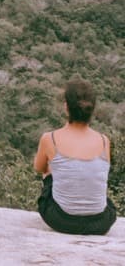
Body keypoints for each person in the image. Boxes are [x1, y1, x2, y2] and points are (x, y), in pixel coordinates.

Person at [33, 78, 117, 235]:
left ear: (66, 107)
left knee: (49, 171)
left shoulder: (49, 138)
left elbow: (39, 168)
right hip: (100, 222)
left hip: (61, 220)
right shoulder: (104, 141)